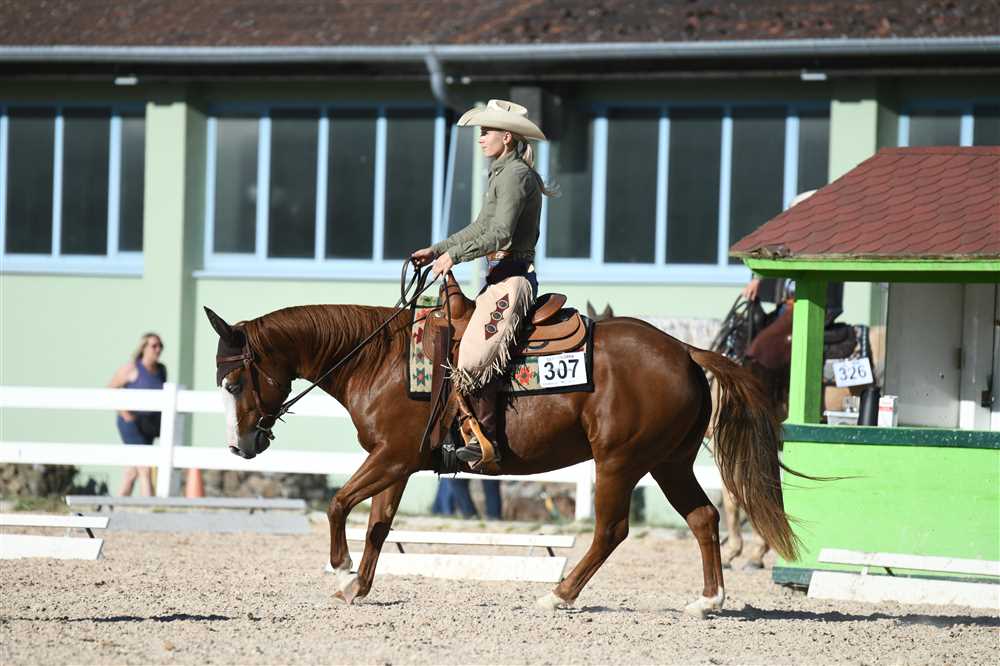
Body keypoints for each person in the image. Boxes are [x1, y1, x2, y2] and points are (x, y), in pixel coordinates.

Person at [411, 99, 552, 466]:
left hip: (512, 280)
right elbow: (480, 227)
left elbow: (501, 232)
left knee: (474, 359)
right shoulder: (501, 173)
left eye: (486, 132)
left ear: (507, 137)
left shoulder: (515, 175)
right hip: (498, 279)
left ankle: (485, 441)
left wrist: (455, 257)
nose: (481, 138)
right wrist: (438, 249)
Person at [108, 332, 166, 496]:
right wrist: (124, 412)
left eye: (160, 346)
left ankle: (114, 506)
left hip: (149, 426)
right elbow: (111, 389)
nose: (158, 349)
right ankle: (149, 507)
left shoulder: (161, 370)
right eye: (154, 346)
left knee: (131, 472)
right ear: (143, 348)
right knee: (144, 468)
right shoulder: (131, 368)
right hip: (131, 425)